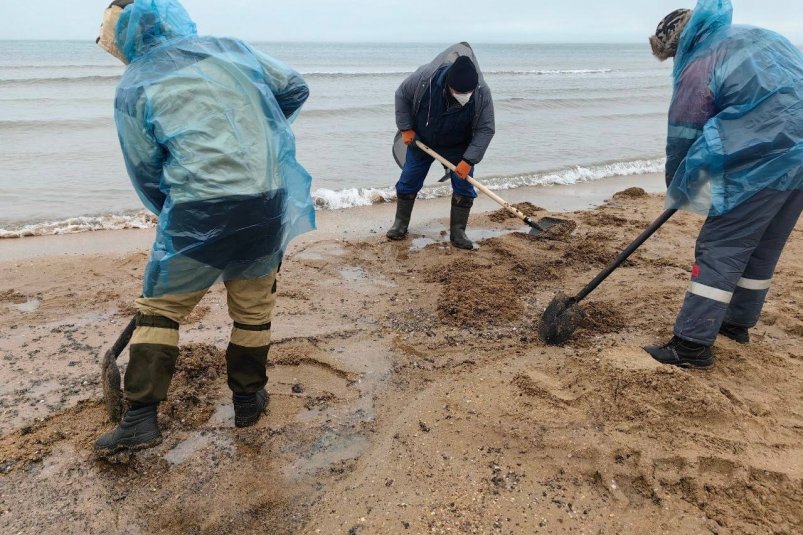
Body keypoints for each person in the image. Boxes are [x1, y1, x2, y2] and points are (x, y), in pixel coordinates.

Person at [93, 0, 315, 454]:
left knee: (160, 309)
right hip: (266, 202)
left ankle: (139, 420)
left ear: (128, 38)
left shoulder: (135, 84)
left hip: (200, 210)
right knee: (253, 308)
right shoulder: (231, 49)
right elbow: (294, 88)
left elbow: (145, 168)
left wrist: (172, 212)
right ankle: (248, 401)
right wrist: (257, 132)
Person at [644, 0, 802, 368]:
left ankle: (692, 346)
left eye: (670, 58)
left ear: (675, 46)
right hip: (799, 158)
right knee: (763, 244)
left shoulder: (700, 62)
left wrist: (678, 186)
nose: (673, 64)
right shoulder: (758, 36)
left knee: (722, 245)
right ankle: (736, 325)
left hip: (764, 160)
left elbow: (685, 133)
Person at [387, 43, 495, 250]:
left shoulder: (481, 92)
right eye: (459, 91)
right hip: (423, 140)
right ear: (447, 83)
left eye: (468, 92)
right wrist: (406, 128)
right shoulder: (425, 79)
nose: (464, 95)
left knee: (464, 187)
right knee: (409, 180)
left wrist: (468, 159)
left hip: (459, 146)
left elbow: (486, 129)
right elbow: (401, 95)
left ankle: (458, 232)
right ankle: (400, 224)